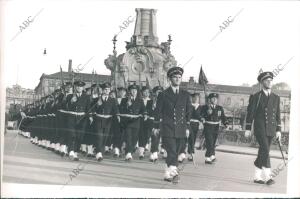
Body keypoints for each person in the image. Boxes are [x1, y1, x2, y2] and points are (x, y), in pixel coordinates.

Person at [153, 66, 192, 182]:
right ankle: (174, 173)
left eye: (179, 77)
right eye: (175, 77)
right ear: (170, 79)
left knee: (177, 150)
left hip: (181, 128)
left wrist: (188, 127)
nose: (177, 79)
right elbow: (158, 111)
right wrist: (155, 126)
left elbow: (188, 112)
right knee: (172, 151)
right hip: (167, 127)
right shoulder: (163, 94)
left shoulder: (185, 95)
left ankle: (167, 173)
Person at [244, 71, 281, 185]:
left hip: (271, 128)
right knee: (265, 149)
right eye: (267, 80)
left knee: (263, 151)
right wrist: (248, 128)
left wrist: (278, 130)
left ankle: (257, 176)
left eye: (271, 80)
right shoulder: (256, 96)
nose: (269, 82)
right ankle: (268, 176)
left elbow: (278, 114)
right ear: (262, 82)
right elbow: (250, 113)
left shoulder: (276, 97)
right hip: (260, 127)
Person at [91, 82, 119, 161]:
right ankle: (99, 153)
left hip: (108, 121)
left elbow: (115, 109)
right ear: (102, 90)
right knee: (99, 136)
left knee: (105, 137)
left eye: (108, 89)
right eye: (105, 89)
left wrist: (118, 116)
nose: (107, 91)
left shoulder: (112, 100)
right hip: (99, 119)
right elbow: (92, 109)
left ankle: (99, 151)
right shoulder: (96, 99)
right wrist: (97, 105)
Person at [119, 84, 147, 161]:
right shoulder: (124, 100)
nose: (134, 91)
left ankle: (130, 152)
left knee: (134, 139)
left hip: (136, 122)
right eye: (132, 90)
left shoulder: (140, 100)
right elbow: (121, 110)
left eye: (135, 90)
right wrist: (127, 106)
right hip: (127, 122)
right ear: (130, 91)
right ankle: (128, 153)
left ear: (137, 92)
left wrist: (145, 115)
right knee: (128, 138)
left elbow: (143, 109)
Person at [65, 80, 90, 161]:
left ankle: (75, 152)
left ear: (83, 88)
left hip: (82, 118)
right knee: (72, 135)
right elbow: (65, 107)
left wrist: (90, 117)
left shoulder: (86, 97)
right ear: (75, 87)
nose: (79, 88)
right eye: (77, 86)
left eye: (81, 86)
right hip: (72, 117)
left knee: (79, 136)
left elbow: (88, 109)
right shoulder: (69, 96)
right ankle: (71, 150)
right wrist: (71, 101)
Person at [200, 93, 227, 164]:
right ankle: (208, 157)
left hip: (216, 127)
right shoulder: (205, 107)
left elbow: (223, 117)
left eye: (216, 98)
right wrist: (206, 115)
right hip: (208, 126)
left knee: (213, 142)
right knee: (210, 142)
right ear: (210, 99)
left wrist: (225, 123)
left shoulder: (219, 108)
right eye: (213, 98)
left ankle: (211, 155)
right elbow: (201, 115)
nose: (214, 99)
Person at [149, 85, 163, 162]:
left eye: (160, 92)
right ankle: (153, 152)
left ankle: (155, 152)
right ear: (154, 93)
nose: (159, 93)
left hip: (161, 122)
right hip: (153, 121)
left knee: (158, 137)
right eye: (157, 92)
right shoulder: (151, 101)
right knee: (154, 137)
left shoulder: (164, 102)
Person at [138, 86, 153, 159]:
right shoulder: (139, 100)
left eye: (148, 92)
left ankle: (144, 146)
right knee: (141, 135)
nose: (146, 93)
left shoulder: (151, 101)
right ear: (142, 93)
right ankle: (141, 152)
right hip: (140, 120)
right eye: (145, 92)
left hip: (149, 121)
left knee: (147, 135)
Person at [112, 87, 127, 157]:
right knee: (116, 135)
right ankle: (116, 149)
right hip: (116, 120)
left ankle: (120, 148)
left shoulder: (127, 100)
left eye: (123, 92)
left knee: (123, 135)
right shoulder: (114, 100)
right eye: (120, 91)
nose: (122, 93)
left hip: (124, 121)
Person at [187, 93, 202, 161]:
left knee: (193, 138)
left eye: (197, 98)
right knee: (191, 138)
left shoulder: (200, 107)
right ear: (192, 98)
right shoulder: (189, 106)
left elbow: (201, 116)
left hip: (196, 124)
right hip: (189, 123)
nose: (196, 99)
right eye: (195, 98)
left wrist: (201, 120)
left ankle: (190, 153)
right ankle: (190, 153)